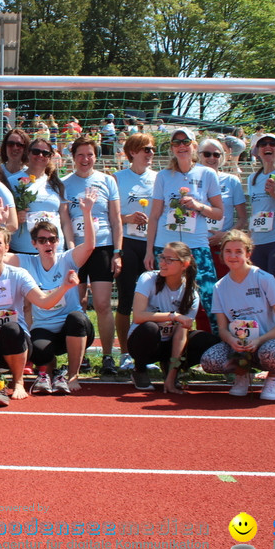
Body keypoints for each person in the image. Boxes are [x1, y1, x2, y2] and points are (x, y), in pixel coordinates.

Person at [0, 224, 80, 406]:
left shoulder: (19, 275)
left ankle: (18, 382)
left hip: (16, 341)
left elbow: (43, 301)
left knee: (11, 328)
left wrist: (65, 287)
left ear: (6, 247)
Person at [9, 189, 99, 394]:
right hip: (44, 327)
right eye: (42, 240)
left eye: (52, 239)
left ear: (58, 242)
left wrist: (87, 212)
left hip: (74, 327)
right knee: (38, 353)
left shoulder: (67, 259)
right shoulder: (26, 262)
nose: (48, 243)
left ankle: (73, 375)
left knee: (76, 318)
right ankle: (51, 373)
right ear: (34, 244)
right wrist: (3, 224)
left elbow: (91, 246)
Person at [144, 127, 223, 332]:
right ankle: (169, 354)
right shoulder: (163, 176)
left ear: (194, 145)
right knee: (165, 300)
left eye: (185, 142)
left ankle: (217, 349)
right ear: (172, 148)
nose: (181, 146)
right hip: (166, 245)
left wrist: (198, 206)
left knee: (209, 297)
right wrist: (149, 250)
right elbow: (154, 215)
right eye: (176, 143)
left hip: (196, 246)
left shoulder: (207, 174)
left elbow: (218, 213)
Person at [199, 230, 275, 400]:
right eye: (228, 251)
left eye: (238, 252)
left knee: (274, 355)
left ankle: (273, 377)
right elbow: (222, 329)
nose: (233, 256)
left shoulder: (264, 279)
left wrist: (259, 340)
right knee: (209, 361)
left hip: (269, 343)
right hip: (241, 347)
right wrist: (232, 341)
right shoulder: (219, 287)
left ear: (248, 253)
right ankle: (242, 373)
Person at [60, 136, 124, 375]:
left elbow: (116, 219)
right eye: (80, 155)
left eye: (90, 154)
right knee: (77, 305)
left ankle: (108, 356)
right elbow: (65, 220)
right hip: (77, 250)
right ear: (73, 157)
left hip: (104, 248)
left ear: (95, 156)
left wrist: (117, 252)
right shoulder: (65, 182)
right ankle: (79, 357)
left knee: (103, 304)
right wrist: (69, 249)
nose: (85, 159)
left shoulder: (108, 180)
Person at [127, 242, 217, 394]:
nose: (162, 262)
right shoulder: (147, 278)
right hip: (147, 342)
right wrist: (173, 316)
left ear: (184, 264)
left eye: (169, 260)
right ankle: (139, 370)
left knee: (207, 341)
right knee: (150, 328)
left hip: (169, 343)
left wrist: (171, 375)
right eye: (162, 257)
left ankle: (170, 368)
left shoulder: (191, 293)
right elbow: (138, 316)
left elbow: (180, 335)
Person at [114, 133, 157, 372]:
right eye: (145, 149)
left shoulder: (159, 178)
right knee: (126, 299)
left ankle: (147, 352)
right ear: (132, 152)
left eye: (152, 149)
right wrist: (127, 218)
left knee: (152, 301)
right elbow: (109, 216)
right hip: (128, 243)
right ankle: (124, 352)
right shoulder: (118, 178)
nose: (150, 153)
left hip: (152, 244)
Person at [197, 138, 248, 279]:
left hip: (223, 246)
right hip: (196, 244)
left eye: (216, 154)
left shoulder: (232, 181)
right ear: (198, 155)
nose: (212, 158)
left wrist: (225, 235)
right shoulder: (190, 180)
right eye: (207, 154)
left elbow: (243, 218)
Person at [8, 138, 68, 255]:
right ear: (28, 153)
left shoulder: (57, 184)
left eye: (45, 153)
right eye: (36, 151)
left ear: (50, 157)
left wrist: (70, 248)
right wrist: (16, 217)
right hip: (23, 250)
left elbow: (65, 221)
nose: (40, 155)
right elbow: (4, 216)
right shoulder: (12, 182)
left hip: (54, 250)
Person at [245, 133, 275, 294]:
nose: (268, 147)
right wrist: (248, 240)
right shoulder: (252, 179)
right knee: (258, 292)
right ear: (257, 151)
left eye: (273, 144)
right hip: (257, 243)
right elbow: (255, 211)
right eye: (263, 144)